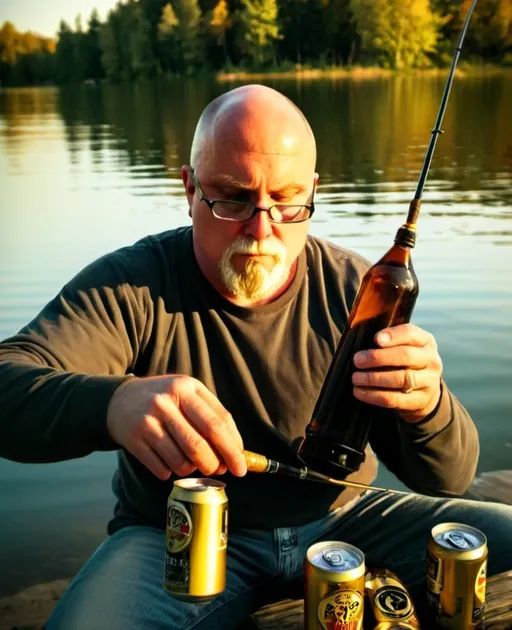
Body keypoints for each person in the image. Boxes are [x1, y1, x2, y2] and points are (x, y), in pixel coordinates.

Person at [0, 84, 510, 630]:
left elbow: (450, 477)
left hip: (348, 520)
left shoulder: (358, 290)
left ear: (313, 189)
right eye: (234, 197)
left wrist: (426, 406)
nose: (262, 227)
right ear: (190, 187)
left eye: (288, 200)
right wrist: (113, 404)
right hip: (177, 539)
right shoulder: (132, 286)